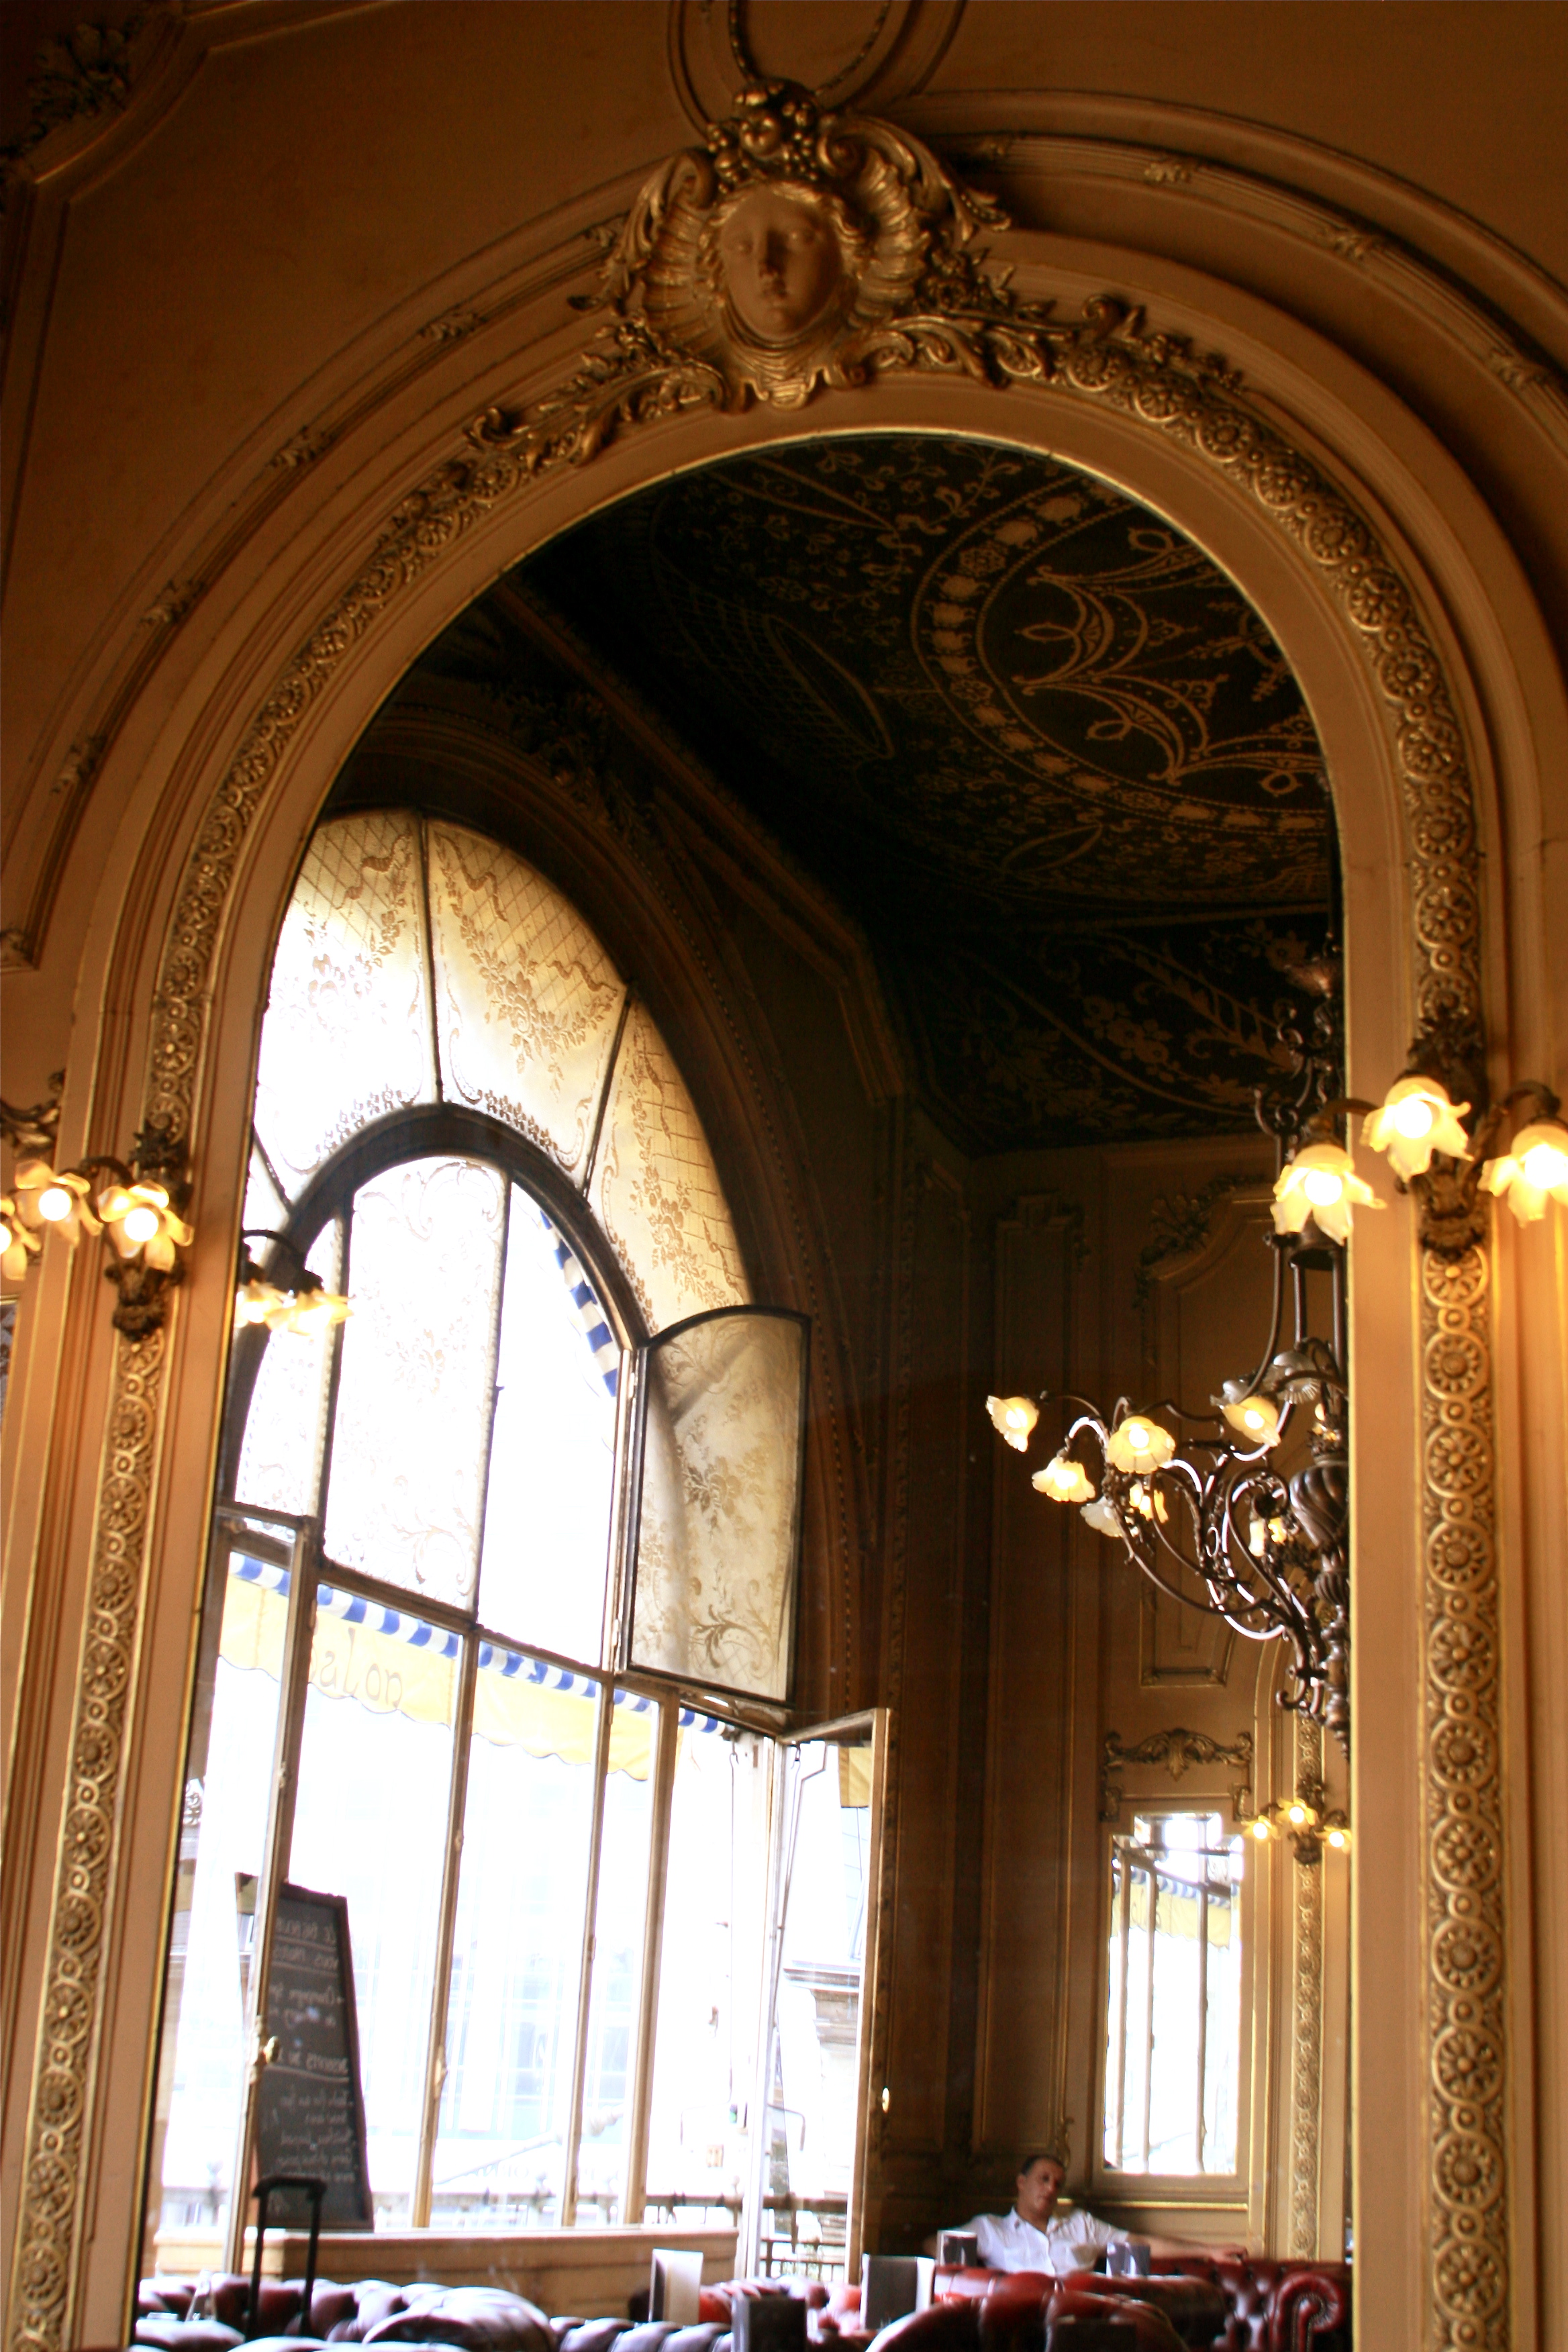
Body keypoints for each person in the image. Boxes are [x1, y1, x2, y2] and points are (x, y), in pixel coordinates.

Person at [958, 2153, 1214, 2275]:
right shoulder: (990, 2229)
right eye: (1044, 2179)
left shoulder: (1081, 2224)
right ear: (1021, 2183)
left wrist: (1210, 2251)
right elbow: (941, 2249)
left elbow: (1140, 2244)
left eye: (1058, 2184)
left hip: (1083, 2323)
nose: (1051, 2189)